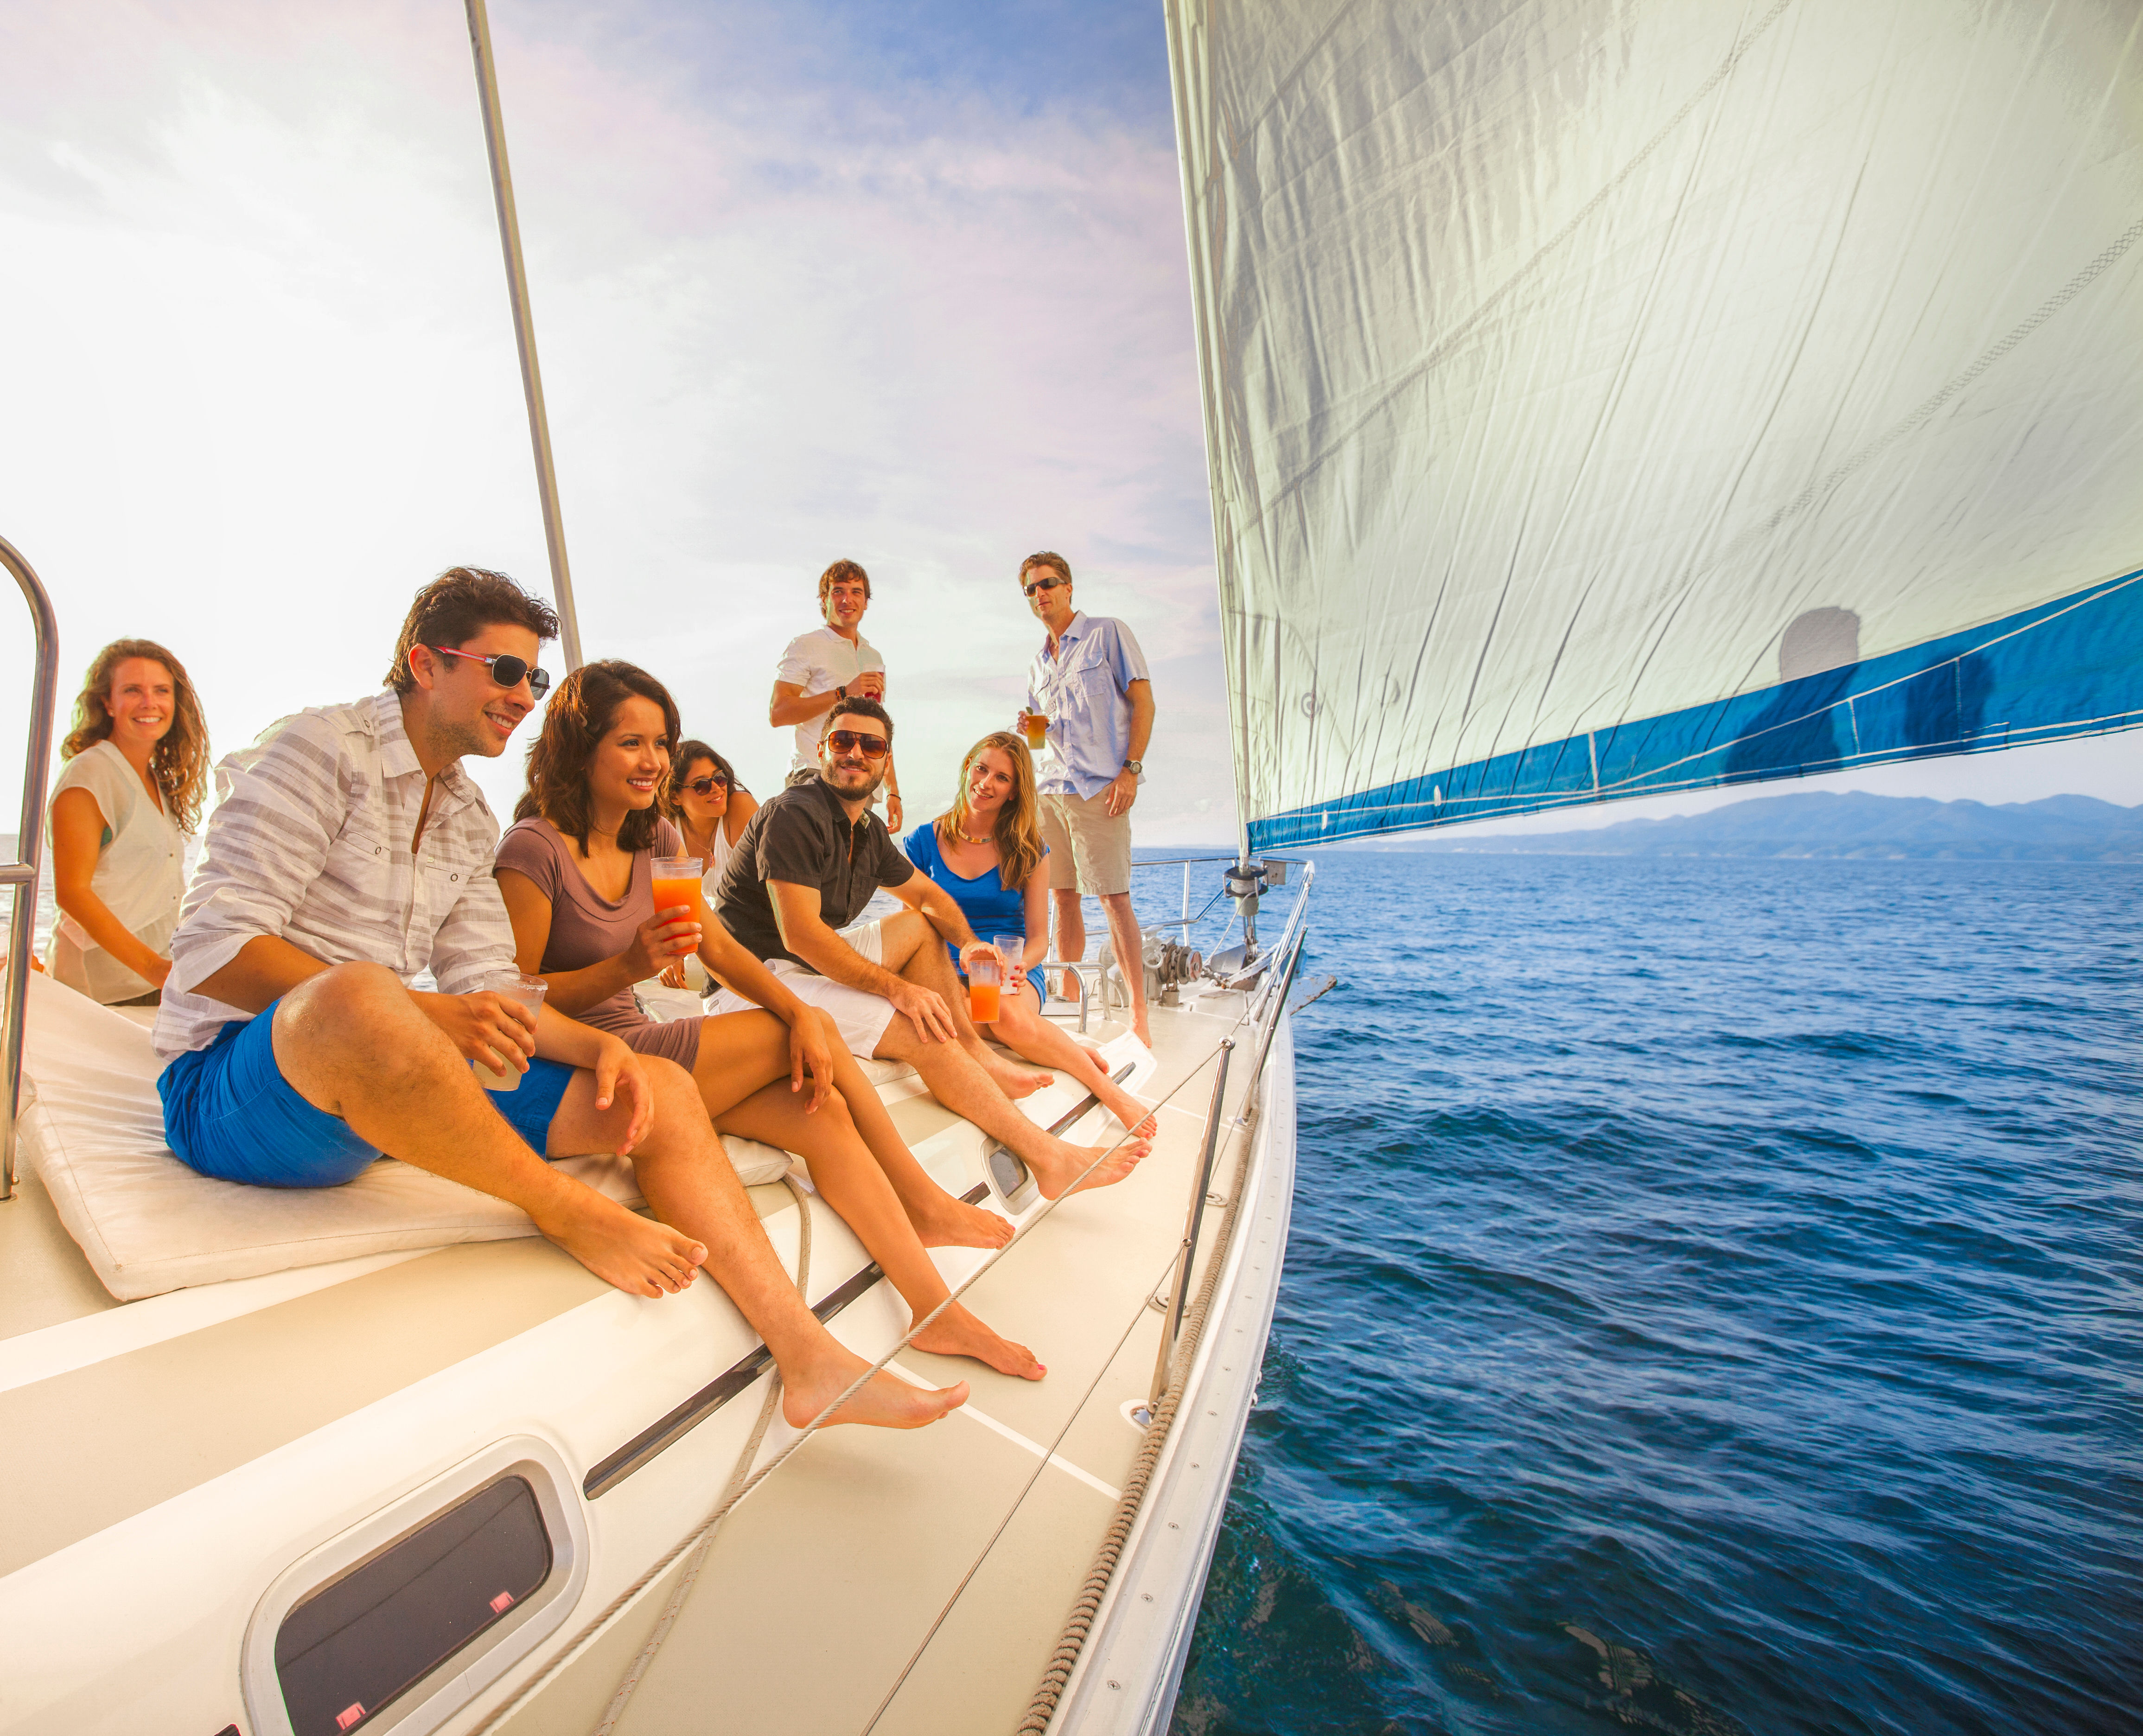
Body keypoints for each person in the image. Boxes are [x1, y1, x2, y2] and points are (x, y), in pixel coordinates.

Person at [152, 567, 962, 1432]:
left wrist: (599, 1046)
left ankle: (811, 1360)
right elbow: (211, 949)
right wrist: (431, 1015)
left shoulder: (466, 812)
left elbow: (494, 986)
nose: (524, 695)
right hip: (235, 1087)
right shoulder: (321, 747)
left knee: (660, 1086)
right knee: (360, 992)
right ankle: (568, 1207)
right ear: (427, 665)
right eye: (505, 672)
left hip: (383, 1084)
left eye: (534, 678)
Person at [495, 662, 1038, 1378]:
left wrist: (795, 1005)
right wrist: (628, 968)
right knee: (797, 1038)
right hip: (575, 1063)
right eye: (632, 743)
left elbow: (714, 944)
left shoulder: (653, 839)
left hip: (645, 1038)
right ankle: (921, 1200)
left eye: (662, 743)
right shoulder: (532, 850)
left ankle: (937, 1314)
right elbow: (516, 1006)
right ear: (579, 745)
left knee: (821, 1113)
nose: (654, 761)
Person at [711, 695, 1151, 1202]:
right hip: (755, 980)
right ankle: (1051, 1161)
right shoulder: (795, 814)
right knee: (924, 1025)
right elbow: (802, 936)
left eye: (870, 745)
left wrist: (965, 945)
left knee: (920, 928)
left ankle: (975, 1054)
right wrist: (900, 992)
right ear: (820, 748)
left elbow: (927, 897)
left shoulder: (866, 830)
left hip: (804, 965)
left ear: (885, 760)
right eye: (842, 741)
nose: (855, 753)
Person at [905, 733, 1157, 1139]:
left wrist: (1022, 965)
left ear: (1013, 791)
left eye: (1001, 778)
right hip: (944, 966)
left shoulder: (1029, 850)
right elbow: (912, 925)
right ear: (968, 767)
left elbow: (1039, 937)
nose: (986, 783)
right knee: (967, 1017)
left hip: (1009, 968)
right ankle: (1064, 1050)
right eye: (982, 769)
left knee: (1002, 1015)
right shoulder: (922, 842)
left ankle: (1109, 1092)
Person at [1014, 551, 1156, 1046]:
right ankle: (1070, 1001)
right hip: (1051, 790)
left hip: (1099, 788)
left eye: (1048, 584)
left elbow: (1143, 702)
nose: (1040, 594)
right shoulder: (1037, 665)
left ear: (1069, 587)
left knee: (1114, 900)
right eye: (1031, 589)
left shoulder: (1107, 634)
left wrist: (1130, 772)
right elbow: (1040, 739)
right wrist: (1029, 731)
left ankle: (1139, 1015)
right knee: (1062, 897)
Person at [46, 638, 209, 1005]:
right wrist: (153, 968)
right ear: (107, 702)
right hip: (105, 988)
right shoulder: (89, 773)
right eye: (133, 690)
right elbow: (72, 892)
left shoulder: (155, 780)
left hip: (155, 978)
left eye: (161, 691)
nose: (149, 703)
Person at [769, 558, 903, 830]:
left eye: (856, 592)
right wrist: (844, 692)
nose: (847, 600)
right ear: (824, 600)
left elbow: (877, 729)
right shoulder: (806, 645)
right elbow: (778, 713)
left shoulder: (872, 656)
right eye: (838, 591)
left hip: (862, 778)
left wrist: (893, 790)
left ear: (866, 602)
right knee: (812, 863)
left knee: (849, 869)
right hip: (816, 773)